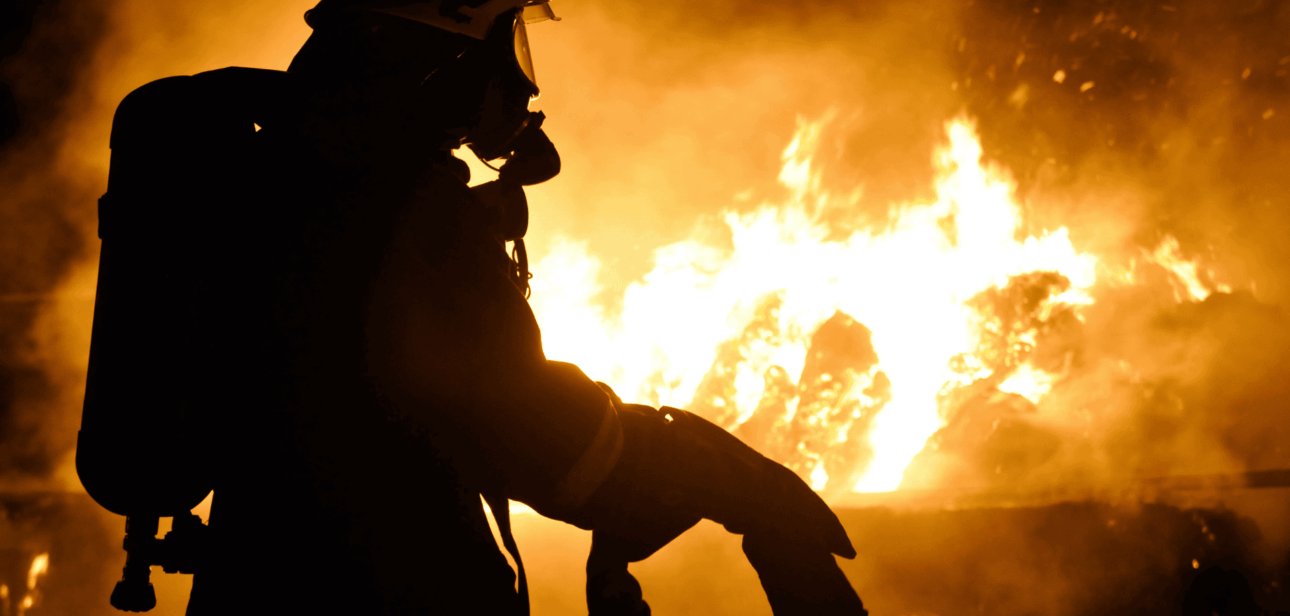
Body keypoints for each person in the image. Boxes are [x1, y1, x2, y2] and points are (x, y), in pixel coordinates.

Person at [80, 1, 867, 613]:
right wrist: (721, 474)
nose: (521, 84)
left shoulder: (278, 178)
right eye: (507, 44)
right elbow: (548, 447)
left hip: (261, 586)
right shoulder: (397, 208)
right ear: (442, 55)